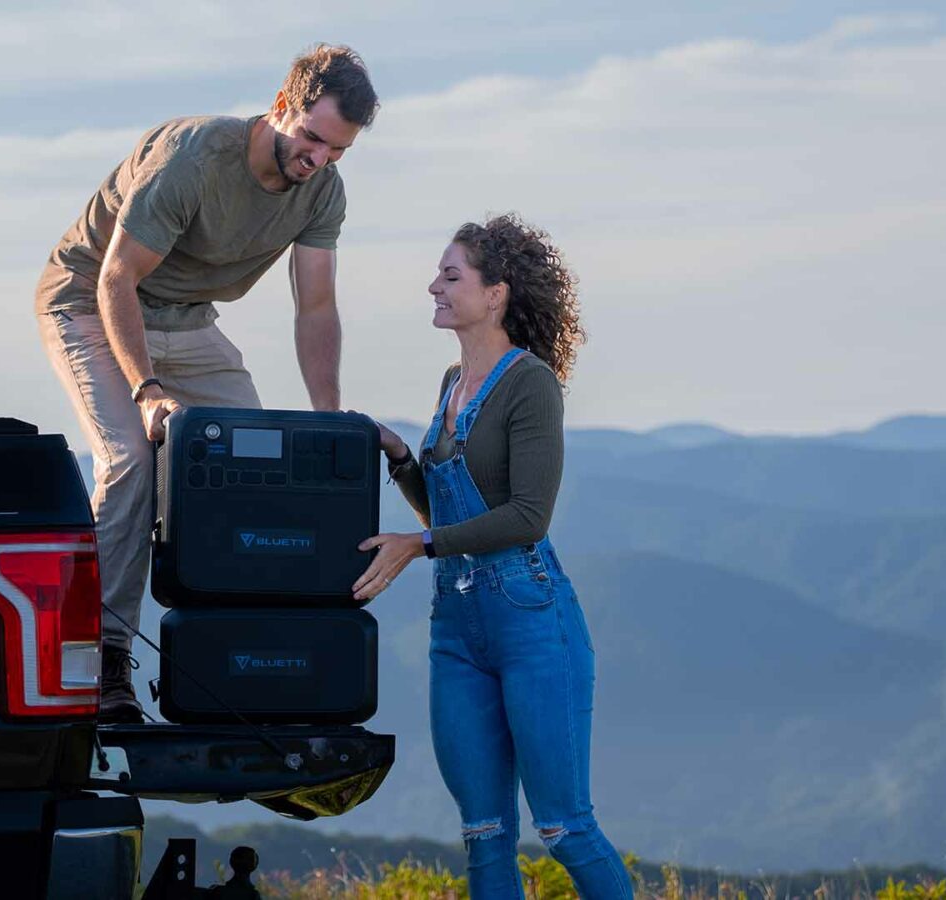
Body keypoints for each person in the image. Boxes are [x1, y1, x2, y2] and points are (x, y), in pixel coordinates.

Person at [35, 45, 378, 722]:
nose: (317, 161)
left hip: (189, 322)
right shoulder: (193, 158)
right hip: (89, 304)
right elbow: (115, 279)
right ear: (281, 107)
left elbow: (315, 306)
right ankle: (100, 664)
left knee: (262, 469)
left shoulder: (322, 191)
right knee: (132, 461)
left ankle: (244, 661)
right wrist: (147, 390)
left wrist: (329, 417)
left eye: (335, 152)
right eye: (310, 139)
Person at [354, 215, 634, 899]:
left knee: (565, 827)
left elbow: (526, 518)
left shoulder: (530, 384)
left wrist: (417, 545)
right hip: (456, 629)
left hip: (531, 619)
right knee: (484, 835)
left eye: (451, 276)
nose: (434, 287)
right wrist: (397, 455)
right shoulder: (452, 381)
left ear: (496, 294)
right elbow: (449, 513)